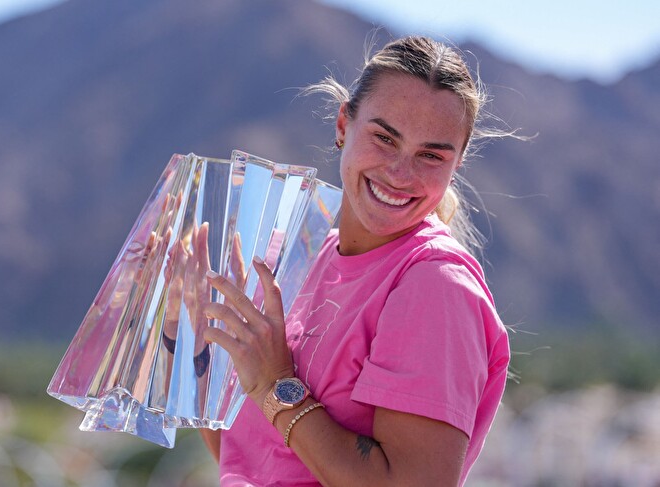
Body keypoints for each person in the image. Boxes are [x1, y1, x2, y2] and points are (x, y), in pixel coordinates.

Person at [200, 35, 511, 486]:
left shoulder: (436, 285)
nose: (400, 174)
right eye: (384, 138)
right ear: (344, 124)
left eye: (431, 155)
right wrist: (191, 335)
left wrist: (275, 384)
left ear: (457, 163)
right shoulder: (296, 262)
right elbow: (248, 461)